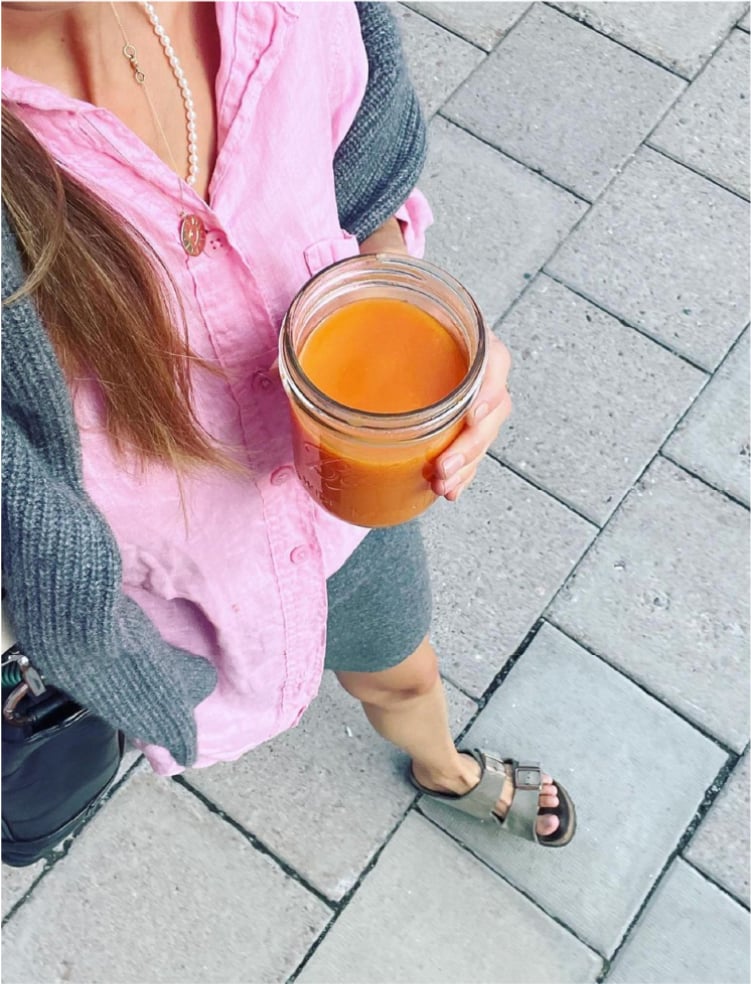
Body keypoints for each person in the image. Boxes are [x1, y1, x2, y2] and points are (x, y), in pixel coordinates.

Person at [2, 1, 574, 848]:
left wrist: (407, 313)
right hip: (152, 600)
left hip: (344, 513)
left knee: (406, 678)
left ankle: (441, 766)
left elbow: (364, 177)